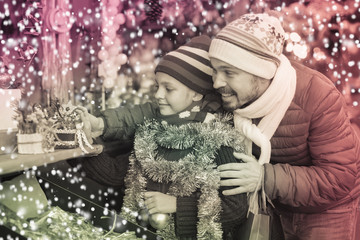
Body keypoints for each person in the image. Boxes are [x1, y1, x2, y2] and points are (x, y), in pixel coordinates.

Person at [78, 35, 249, 239]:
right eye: (158, 86)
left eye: (169, 89)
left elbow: (235, 209)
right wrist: (81, 141)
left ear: (196, 94)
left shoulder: (218, 139)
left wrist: (177, 205)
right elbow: (116, 173)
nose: (158, 95)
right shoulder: (153, 132)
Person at [208, 12, 360, 240]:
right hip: (275, 204)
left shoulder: (317, 96)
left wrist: (264, 178)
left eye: (229, 73)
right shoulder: (232, 97)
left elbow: (338, 177)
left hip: (328, 209)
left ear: (261, 73)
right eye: (215, 70)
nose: (217, 82)